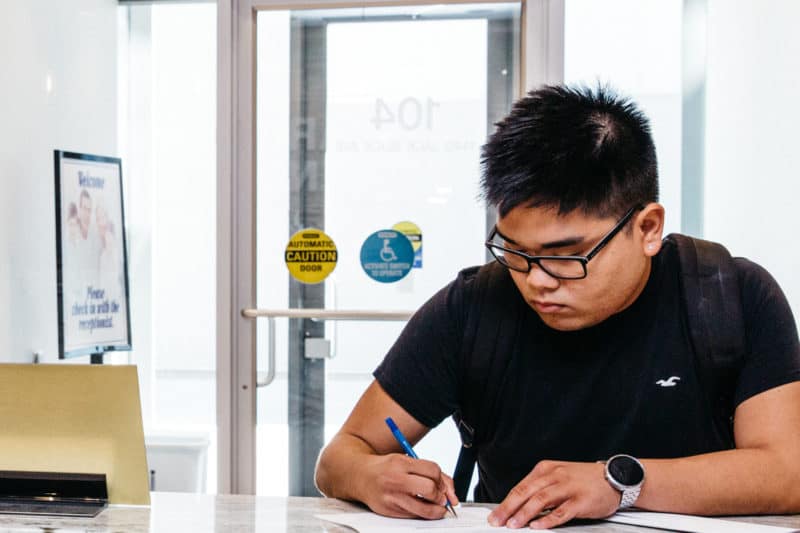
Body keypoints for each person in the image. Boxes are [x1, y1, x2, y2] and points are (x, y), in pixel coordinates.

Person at [314, 84, 800, 529]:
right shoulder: (474, 307)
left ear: (648, 228)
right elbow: (339, 457)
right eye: (517, 253)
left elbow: (786, 472)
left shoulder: (728, 295)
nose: (537, 282)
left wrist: (618, 485)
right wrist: (373, 477)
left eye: (568, 256)